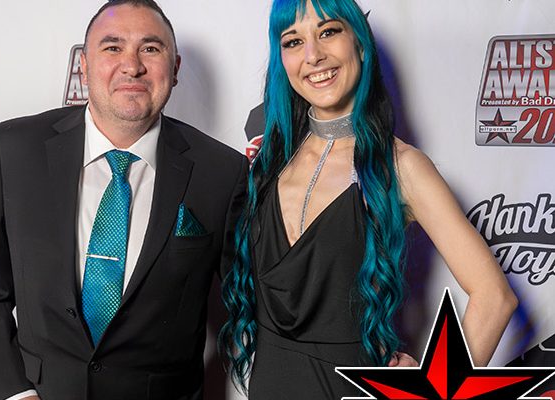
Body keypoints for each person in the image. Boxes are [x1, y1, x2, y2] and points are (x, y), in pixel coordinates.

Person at [219, 0, 518, 398]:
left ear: (359, 43)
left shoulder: (402, 167)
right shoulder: (270, 159)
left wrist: (433, 390)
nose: (313, 55)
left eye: (328, 32)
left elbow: (494, 297)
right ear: (282, 59)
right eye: (293, 41)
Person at [0, 1, 247, 399]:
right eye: (113, 47)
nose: (132, 66)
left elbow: (251, 306)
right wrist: (16, 394)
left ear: (175, 68)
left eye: (150, 48)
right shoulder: (15, 149)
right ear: (84, 65)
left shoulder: (222, 172)